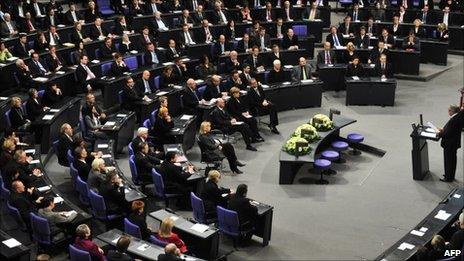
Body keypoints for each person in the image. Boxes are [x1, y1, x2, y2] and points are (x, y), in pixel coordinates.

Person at [438, 105, 463, 182]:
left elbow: (447, 134)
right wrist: (443, 129)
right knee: (452, 160)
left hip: (450, 144)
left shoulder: (453, 120)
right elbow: (451, 130)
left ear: (452, 111)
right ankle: (450, 175)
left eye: (449, 110)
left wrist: (439, 133)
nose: (448, 112)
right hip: (454, 143)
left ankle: (448, 178)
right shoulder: (458, 117)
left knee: (449, 161)